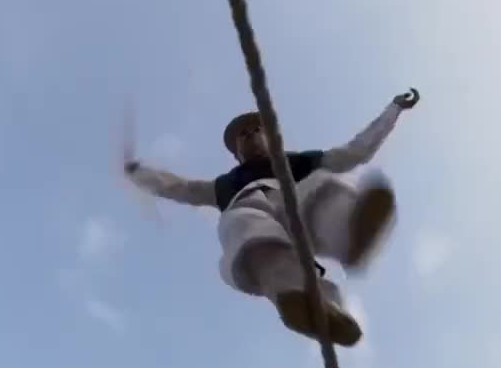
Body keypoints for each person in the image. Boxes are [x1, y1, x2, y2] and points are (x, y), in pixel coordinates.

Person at [123, 88, 420, 347]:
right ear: (236, 153)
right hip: (255, 217)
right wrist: (141, 174)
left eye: (257, 129)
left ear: (270, 137)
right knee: (240, 222)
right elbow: (180, 188)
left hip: (299, 208)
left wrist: (393, 109)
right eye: (243, 135)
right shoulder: (224, 186)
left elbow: (355, 151)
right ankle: (305, 301)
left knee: (319, 187)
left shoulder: (299, 162)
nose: (250, 135)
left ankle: (349, 231)